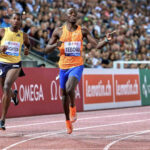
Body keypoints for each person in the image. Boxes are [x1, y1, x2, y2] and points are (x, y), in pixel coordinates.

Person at [45, 8, 114, 134]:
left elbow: (96, 45)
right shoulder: (58, 31)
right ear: (65, 16)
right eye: (70, 13)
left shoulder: (82, 30)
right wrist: (55, 45)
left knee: (69, 87)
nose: (73, 15)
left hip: (77, 65)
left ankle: (73, 106)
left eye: (75, 14)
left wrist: (106, 41)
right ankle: (67, 121)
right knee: (64, 95)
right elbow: (46, 49)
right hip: (63, 66)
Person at [0, 13, 30, 130]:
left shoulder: (24, 36)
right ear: (10, 21)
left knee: (7, 87)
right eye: (14, 18)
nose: (16, 21)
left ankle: (2, 120)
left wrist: (27, 50)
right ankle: (14, 95)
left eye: (18, 19)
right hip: (1, 63)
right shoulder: (2, 31)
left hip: (15, 64)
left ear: (21, 22)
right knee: (4, 88)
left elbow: (28, 45)